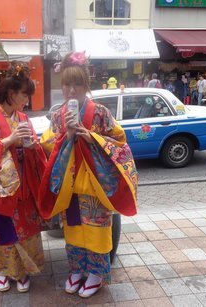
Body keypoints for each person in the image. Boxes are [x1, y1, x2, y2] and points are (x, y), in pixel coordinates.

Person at [38, 51, 138, 298]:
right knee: (73, 229)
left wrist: (91, 136)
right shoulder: (58, 114)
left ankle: (96, 274)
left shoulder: (100, 112)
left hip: (95, 183)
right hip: (70, 184)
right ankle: (77, 269)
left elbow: (119, 141)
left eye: (77, 84)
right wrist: (67, 137)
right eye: (67, 84)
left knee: (96, 229)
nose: (72, 90)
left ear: (86, 85)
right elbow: (47, 144)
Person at [0, 61, 47, 293]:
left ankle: (22, 271)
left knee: (24, 230)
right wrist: (7, 141)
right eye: (24, 96)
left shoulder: (23, 118)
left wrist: (33, 146)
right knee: (2, 232)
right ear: (11, 93)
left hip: (22, 187)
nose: (27, 101)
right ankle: (2, 271)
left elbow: (33, 147)